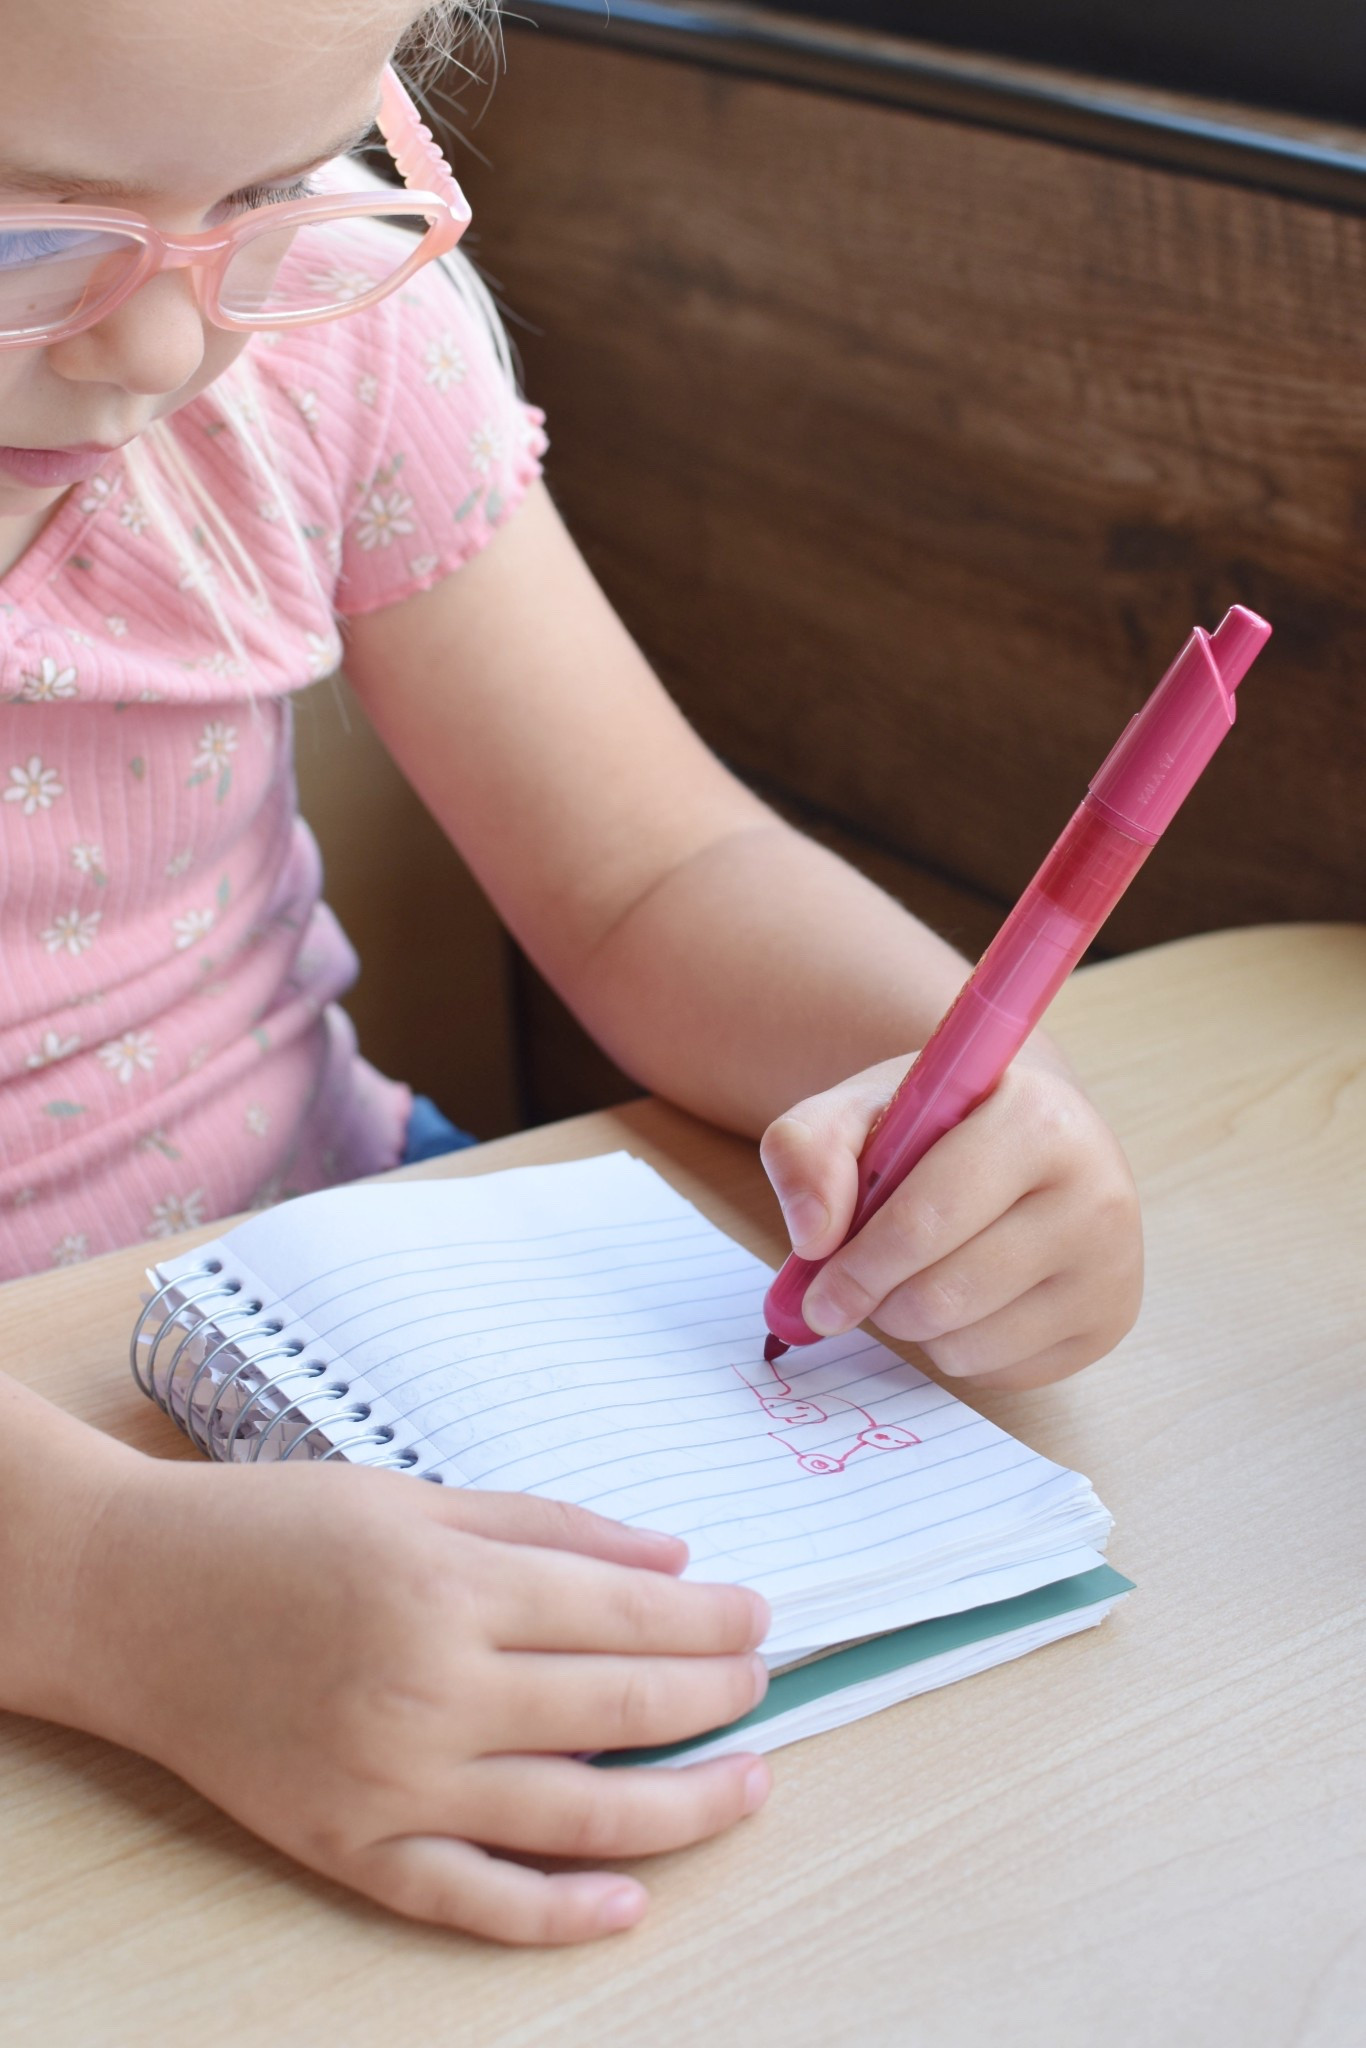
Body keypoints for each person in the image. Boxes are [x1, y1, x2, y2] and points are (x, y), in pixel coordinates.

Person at [0, 0, 1143, 1945]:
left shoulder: (317, 338)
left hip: (359, 1305)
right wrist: (111, 1587)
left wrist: (947, 1098)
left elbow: (650, 869)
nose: (174, 345)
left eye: (277, 189)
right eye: (29, 246)